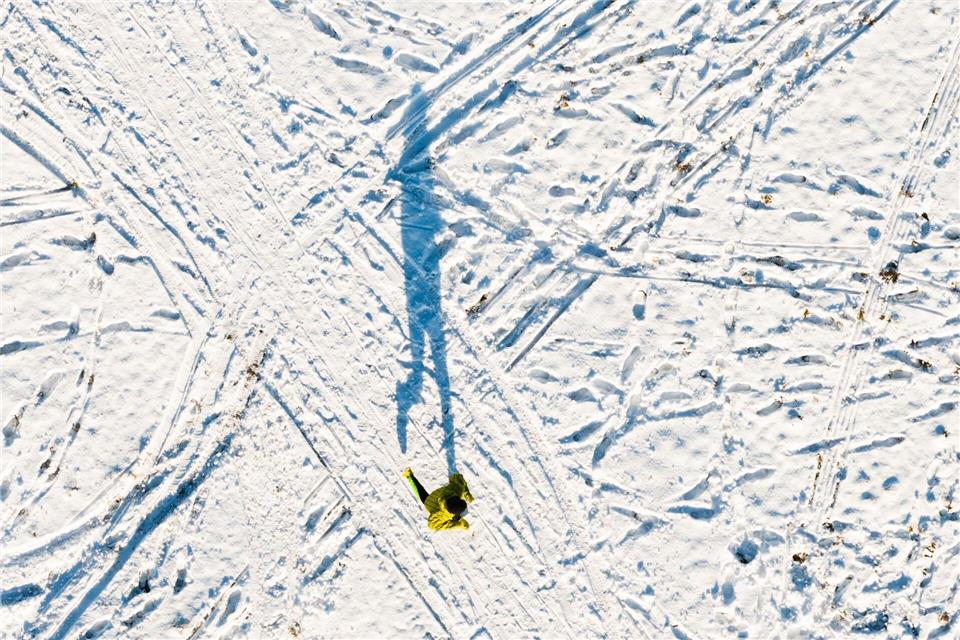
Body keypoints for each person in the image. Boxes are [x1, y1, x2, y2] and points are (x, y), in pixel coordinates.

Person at [403, 468, 473, 530]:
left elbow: (457, 476)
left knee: (421, 492)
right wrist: (457, 524)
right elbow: (432, 525)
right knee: (421, 493)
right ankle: (409, 475)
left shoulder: (455, 490)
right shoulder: (441, 514)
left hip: (439, 495)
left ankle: (409, 475)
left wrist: (466, 492)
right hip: (429, 502)